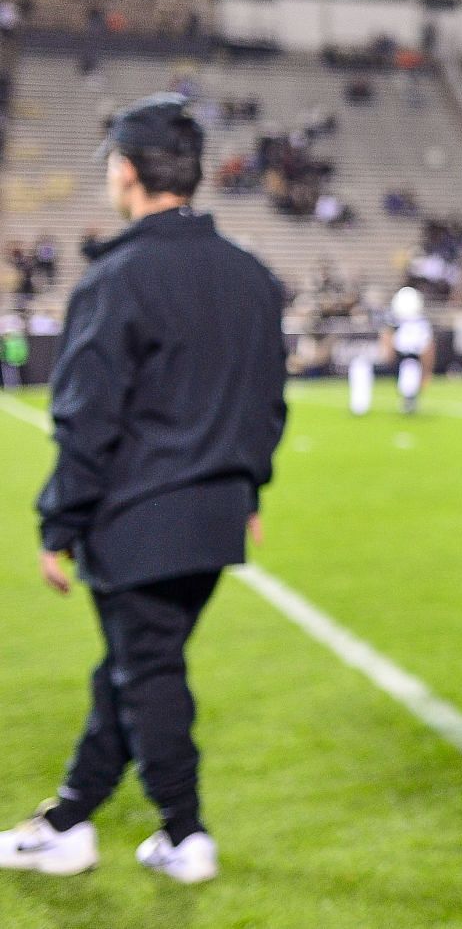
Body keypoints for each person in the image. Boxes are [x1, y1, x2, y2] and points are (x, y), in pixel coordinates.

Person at [1, 94, 286, 884]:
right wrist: (251, 489)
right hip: (215, 518)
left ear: (126, 171)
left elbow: (87, 420)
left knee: (147, 671)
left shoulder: (117, 277)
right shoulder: (253, 277)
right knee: (130, 667)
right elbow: (267, 403)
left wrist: (57, 523)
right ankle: (68, 818)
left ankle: (184, 833)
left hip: (138, 520)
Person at [382, 285, 435, 414]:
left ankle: (409, 398)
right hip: (404, 359)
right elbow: (428, 348)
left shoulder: (398, 322)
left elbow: (427, 348)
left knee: (409, 371)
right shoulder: (417, 323)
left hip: (408, 359)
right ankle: (409, 398)